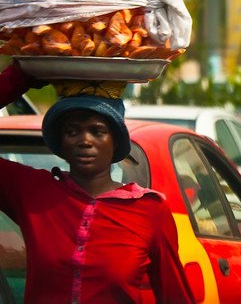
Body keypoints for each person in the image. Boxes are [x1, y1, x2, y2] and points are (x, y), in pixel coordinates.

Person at [0, 94, 195, 303]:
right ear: (61, 142)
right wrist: (21, 78)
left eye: (97, 131)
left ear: (116, 141)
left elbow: (174, 295)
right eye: (72, 131)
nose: (84, 141)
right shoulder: (34, 191)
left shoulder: (150, 210)